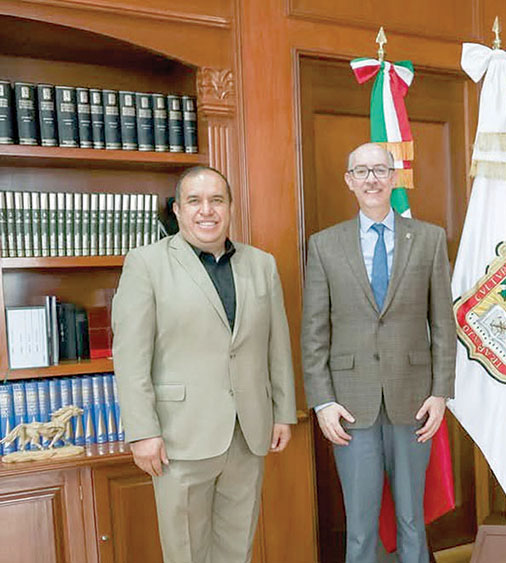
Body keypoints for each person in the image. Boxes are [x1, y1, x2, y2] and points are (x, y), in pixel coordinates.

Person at [113, 166, 297, 563]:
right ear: (177, 210)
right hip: (179, 439)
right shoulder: (146, 264)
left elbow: (277, 345)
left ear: (230, 207)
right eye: (194, 201)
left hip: (248, 433)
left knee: (237, 549)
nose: (206, 210)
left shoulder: (261, 264)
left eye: (217, 200)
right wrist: (142, 431)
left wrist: (283, 412)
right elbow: (130, 357)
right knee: (186, 553)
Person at [301, 142, 455, 563]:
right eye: (361, 171)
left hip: (415, 401)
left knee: (412, 521)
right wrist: (323, 402)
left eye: (380, 170)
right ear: (349, 181)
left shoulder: (429, 239)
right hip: (350, 405)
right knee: (361, 526)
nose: (371, 179)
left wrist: (440, 393)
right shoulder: (324, 245)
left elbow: (444, 323)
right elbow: (314, 332)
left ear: (394, 177)